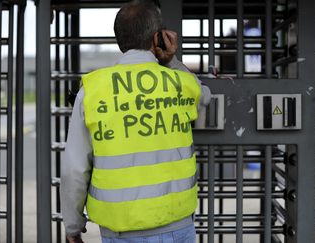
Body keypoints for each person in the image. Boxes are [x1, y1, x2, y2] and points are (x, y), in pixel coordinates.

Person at [61, 1, 211, 242]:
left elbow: (74, 170)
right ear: (157, 38)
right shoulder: (180, 83)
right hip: (178, 226)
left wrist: (73, 226)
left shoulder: (92, 90)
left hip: (120, 231)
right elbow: (205, 96)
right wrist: (171, 60)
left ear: (120, 40)